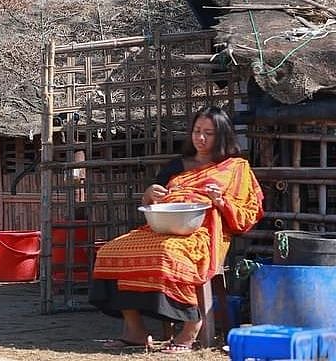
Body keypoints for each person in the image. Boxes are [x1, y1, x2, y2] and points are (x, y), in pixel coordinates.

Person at [89, 106, 264, 352]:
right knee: (111, 251)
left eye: (209, 133)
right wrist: (149, 195)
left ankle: (192, 324)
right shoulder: (177, 165)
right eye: (197, 131)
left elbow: (248, 214)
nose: (200, 138)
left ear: (222, 135)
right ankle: (135, 330)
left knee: (169, 254)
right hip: (162, 229)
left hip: (204, 233)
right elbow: (152, 203)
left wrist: (220, 201)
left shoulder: (235, 168)